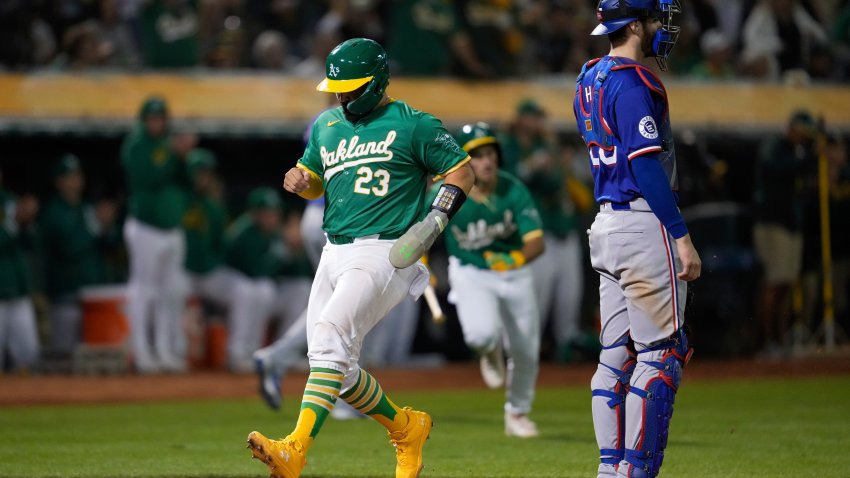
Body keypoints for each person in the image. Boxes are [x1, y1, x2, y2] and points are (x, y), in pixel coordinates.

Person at [247, 38, 474, 478]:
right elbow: (316, 180)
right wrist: (302, 179)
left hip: (387, 251)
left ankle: (295, 448)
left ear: (378, 81)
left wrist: (435, 221)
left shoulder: (415, 124)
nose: (341, 95)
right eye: (337, 87)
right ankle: (407, 427)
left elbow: (460, 170)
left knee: (331, 337)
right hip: (334, 249)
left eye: (351, 86)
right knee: (334, 366)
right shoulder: (327, 124)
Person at [573, 2, 702, 477]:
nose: (662, 29)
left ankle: (610, 470)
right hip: (643, 223)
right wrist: (681, 235)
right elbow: (645, 164)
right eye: (653, 21)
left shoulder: (589, 77)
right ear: (633, 26)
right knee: (659, 356)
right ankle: (633, 473)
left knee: (615, 358)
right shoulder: (631, 83)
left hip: (607, 223)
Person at [436, 122, 545, 437]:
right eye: (477, 155)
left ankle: (518, 413)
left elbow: (537, 242)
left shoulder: (512, 188)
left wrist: (515, 258)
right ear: (463, 160)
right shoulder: (447, 191)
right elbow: (423, 227)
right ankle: (490, 348)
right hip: (471, 271)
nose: (486, 161)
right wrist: (423, 261)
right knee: (480, 337)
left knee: (526, 348)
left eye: (490, 153)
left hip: (514, 273)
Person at [503, 99, 589, 361]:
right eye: (533, 117)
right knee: (535, 297)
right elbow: (509, 182)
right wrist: (532, 168)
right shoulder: (509, 146)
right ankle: (522, 351)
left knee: (568, 296)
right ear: (521, 118)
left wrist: (557, 167)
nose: (537, 123)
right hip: (535, 233)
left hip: (562, 229)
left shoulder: (546, 146)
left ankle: (566, 346)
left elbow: (557, 185)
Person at [121, 96, 193, 373]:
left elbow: (187, 181)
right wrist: (174, 153)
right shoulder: (136, 145)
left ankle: (164, 350)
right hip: (145, 228)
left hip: (172, 230)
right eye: (151, 118)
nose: (156, 123)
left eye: (160, 118)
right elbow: (146, 178)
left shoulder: (169, 146)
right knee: (143, 291)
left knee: (170, 293)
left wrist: (183, 156)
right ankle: (141, 352)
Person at [40, 154, 119, 355]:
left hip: (94, 299)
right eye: (69, 176)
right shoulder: (52, 212)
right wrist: (96, 227)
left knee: (95, 355)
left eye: (77, 175)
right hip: (66, 298)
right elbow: (70, 248)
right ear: (58, 181)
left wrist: (108, 227)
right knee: (65, 357)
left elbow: (110, 246)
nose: (75, 181)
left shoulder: (87, 209)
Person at [753, 111, 817, 358]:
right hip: (772, 224)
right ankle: (765, 341)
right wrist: (807, 155)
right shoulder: (775, 146)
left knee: (786, 284)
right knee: (774, 282)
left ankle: (780, 339)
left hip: (790, 224)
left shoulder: (797, 151)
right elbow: (778, 169)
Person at [223, 187, 284, 373]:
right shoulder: (243, 234)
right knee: (253, 291)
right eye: (266, 212)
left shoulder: (273, 233)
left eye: (274, 212)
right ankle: (237, 353)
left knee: (264, 290)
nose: (271, 217)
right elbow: (255, 270)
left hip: (251, 284)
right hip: (228, 280)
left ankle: (256, 353)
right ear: (254, 213)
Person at [0, 173, 39, 373]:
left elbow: (30, 244)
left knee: (29, 354)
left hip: (19, 290)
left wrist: (27, 221)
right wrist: (14, 223)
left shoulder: (10, 200)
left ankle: (30, 399)